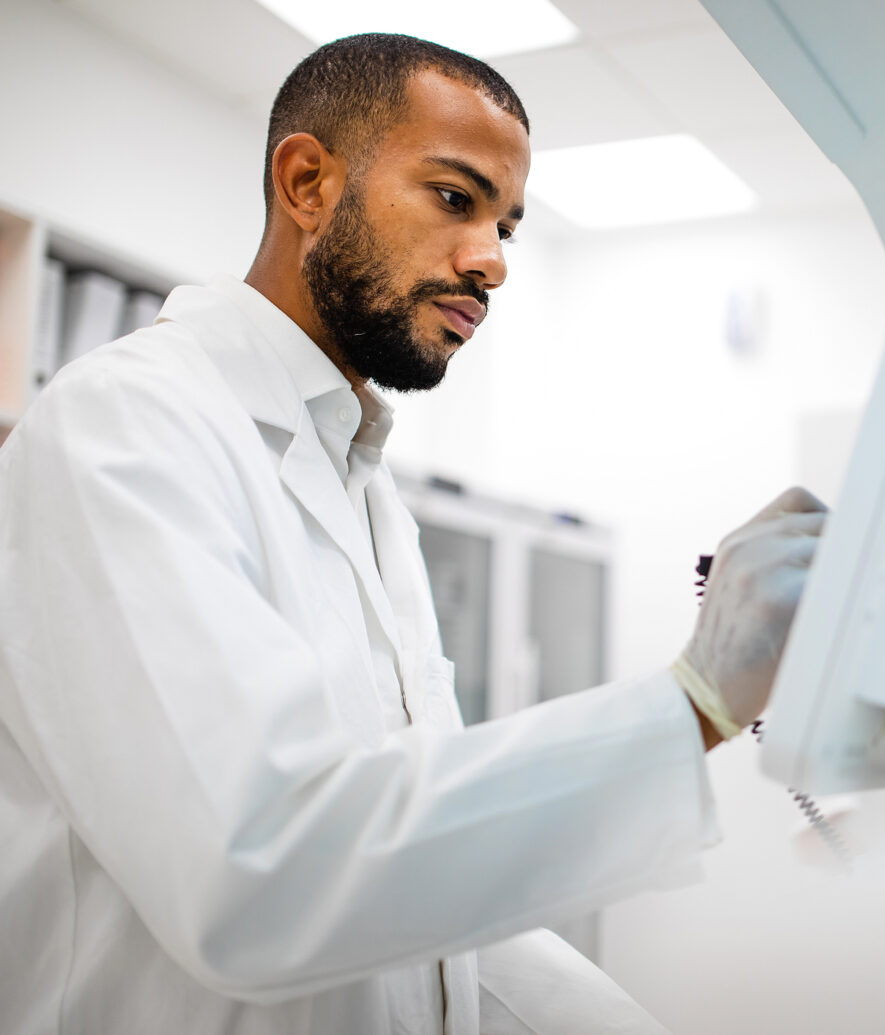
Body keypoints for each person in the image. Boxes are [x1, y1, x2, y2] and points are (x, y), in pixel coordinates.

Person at [0, 33, 825, 1034]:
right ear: (307, 182)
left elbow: (419, 894)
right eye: (453, 198)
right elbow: (262, 871)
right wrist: (689, 704)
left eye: (506, 225)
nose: (492, 263)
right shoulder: (125, 428)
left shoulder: (362, 481)